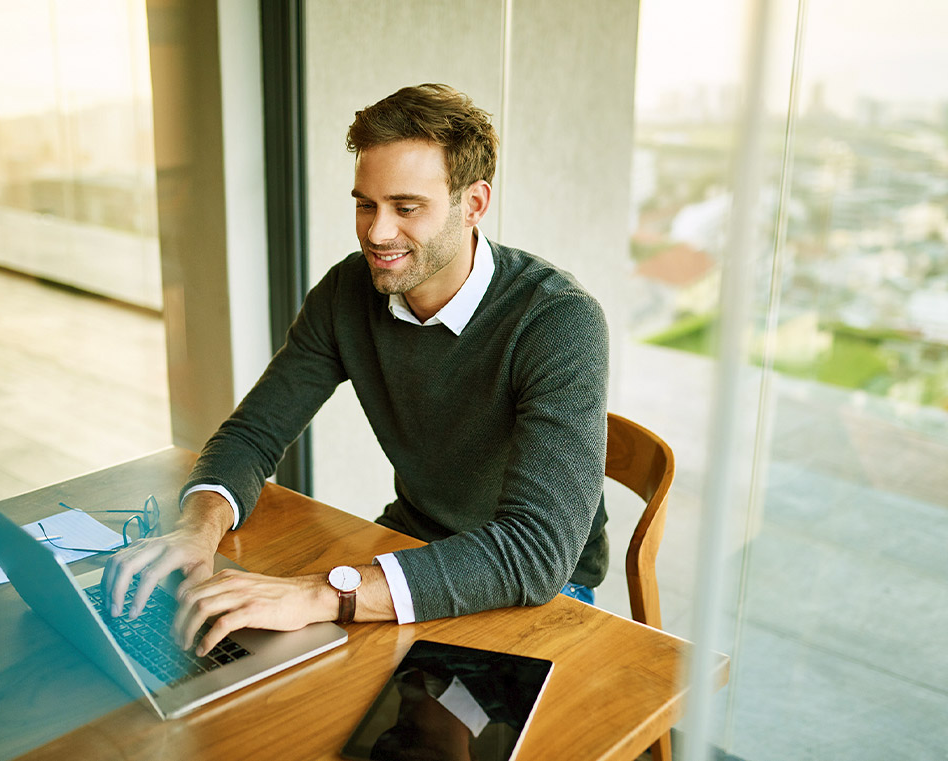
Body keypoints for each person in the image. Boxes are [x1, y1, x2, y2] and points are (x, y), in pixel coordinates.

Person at [101, 83, 610, 657]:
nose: (377, 232)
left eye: (407, 207)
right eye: (365, 204)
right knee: (264, 675)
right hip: (410, 543)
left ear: (474, 204)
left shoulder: (557, 321)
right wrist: (197, 531)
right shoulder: (349, 291)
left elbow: (535, 553)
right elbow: (253, 433)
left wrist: (324, 594)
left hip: (542, 590)